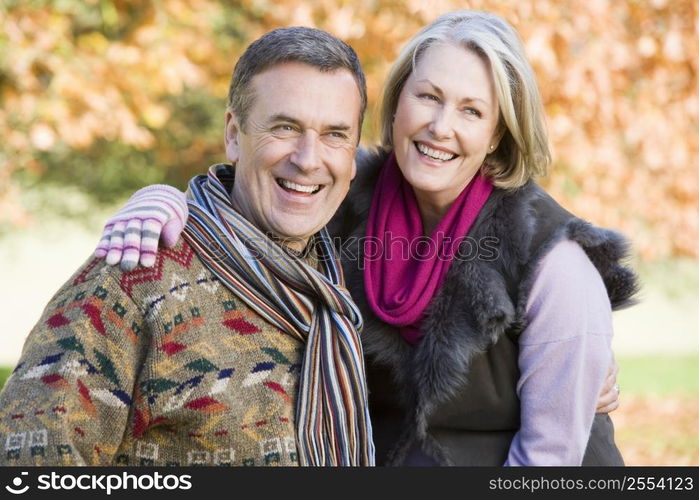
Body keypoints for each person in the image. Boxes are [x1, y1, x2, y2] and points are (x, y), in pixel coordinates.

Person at [94, 11, 634, 465]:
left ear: (498, 133)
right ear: (396, 104)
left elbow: (550, 459)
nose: (440, 127)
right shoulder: (344, 192)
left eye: (472, 111)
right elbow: (250, 191)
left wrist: (578, 366)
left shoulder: (553, 258)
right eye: (428, 97)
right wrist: (160, 200)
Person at [0, 27, 375, 466]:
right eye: (285, 127)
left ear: (353, 154)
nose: (309, 158)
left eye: (335, 134)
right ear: (234, 135)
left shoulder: (338, 278)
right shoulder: (133, 275)